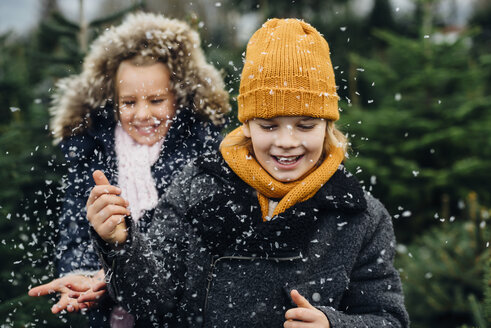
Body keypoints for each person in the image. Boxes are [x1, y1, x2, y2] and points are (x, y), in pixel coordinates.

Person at [88, 18, 409, 327]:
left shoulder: (359, 216)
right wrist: (120, 243)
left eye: (306, 125)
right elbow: (151, 303)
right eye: (268, 125)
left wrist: (333, 324)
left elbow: (387, 318)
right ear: (247, 124)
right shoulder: (197, 186)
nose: (286, 142)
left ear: (327, 125)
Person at [28, 12, 230, 327]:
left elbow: (203, 239)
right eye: (129, 102)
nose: (143, 114)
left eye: (156, 100)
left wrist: (125, 274)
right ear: (113, 101)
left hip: (183, 310)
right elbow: (75, 228)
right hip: (111, 314)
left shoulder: (201, 150)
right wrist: (82, 275)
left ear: (178, 97)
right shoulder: (92, 152)